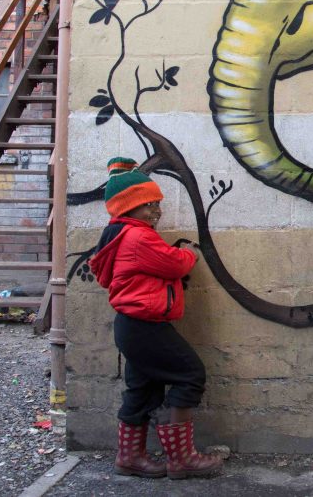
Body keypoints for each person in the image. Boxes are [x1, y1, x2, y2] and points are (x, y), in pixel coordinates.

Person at [89, 157, 224, 479]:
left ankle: (130, 457)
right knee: (189, 373)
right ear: (126, 207)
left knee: (143, 388)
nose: (155, 211)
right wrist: (190, 253)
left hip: (132, 326)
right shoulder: (137, 237)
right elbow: (174, 265)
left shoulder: (121, 234)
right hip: (144, 326)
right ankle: (182, 459)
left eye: (156, 204)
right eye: (147, 205)